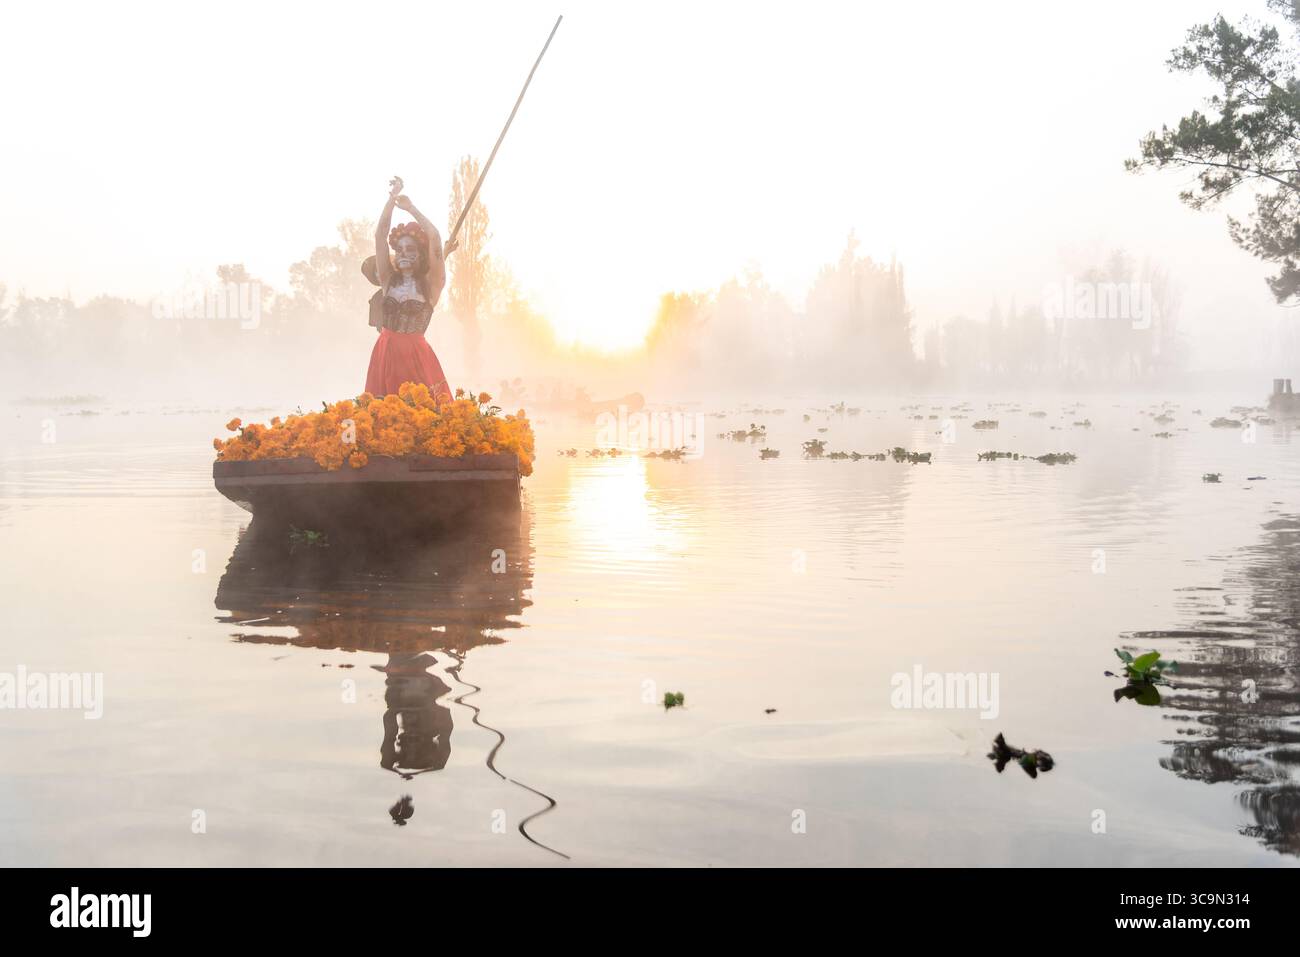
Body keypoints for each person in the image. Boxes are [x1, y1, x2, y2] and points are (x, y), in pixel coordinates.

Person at [363, 176, 459, 398]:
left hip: (416, 355)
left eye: (411, 248)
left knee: (422, 412)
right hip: (385, 352)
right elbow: (380, 235)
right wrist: (392, 198)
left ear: (420, 254)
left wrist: (411, 208)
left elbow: (434, 237)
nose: (404, 253)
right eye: (400, 248)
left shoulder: (431, 285)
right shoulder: (388, 280)